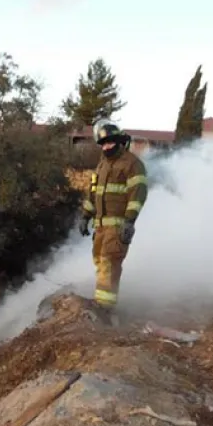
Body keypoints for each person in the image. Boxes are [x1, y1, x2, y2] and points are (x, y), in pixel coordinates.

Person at [79, 118, 148, 314]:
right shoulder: (102, 166)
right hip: (100, 227)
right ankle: (103, 304)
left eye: (110, 142)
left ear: (119, 141)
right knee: (100, 263)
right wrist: (85, 216)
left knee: (109, 263)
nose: (107, 146)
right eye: (103, 143)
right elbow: (93, 193)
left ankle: (105, 309)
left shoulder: (132, 164)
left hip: (117, 226)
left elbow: (138, 194)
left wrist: (129, 221)